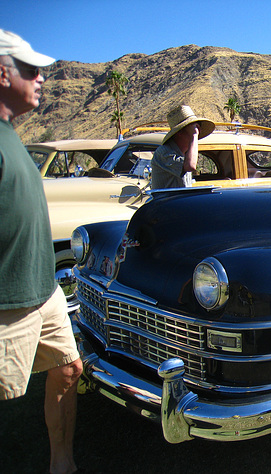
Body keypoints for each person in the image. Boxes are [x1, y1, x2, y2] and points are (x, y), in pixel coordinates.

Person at [0, 30, 83, 473]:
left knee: (69, 369)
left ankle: (62, 465)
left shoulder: (11, 133)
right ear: (1, 72)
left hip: (44, 290)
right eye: (31, 70)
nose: (42, 79)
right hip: (7, 299)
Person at [151, 105, 215, 189]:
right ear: (179, 132)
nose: (197, 130)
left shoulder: (183, 154)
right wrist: (194, 135)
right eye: (193, 127)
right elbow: (191, 166)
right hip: (166, 201)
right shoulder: (164, 152)